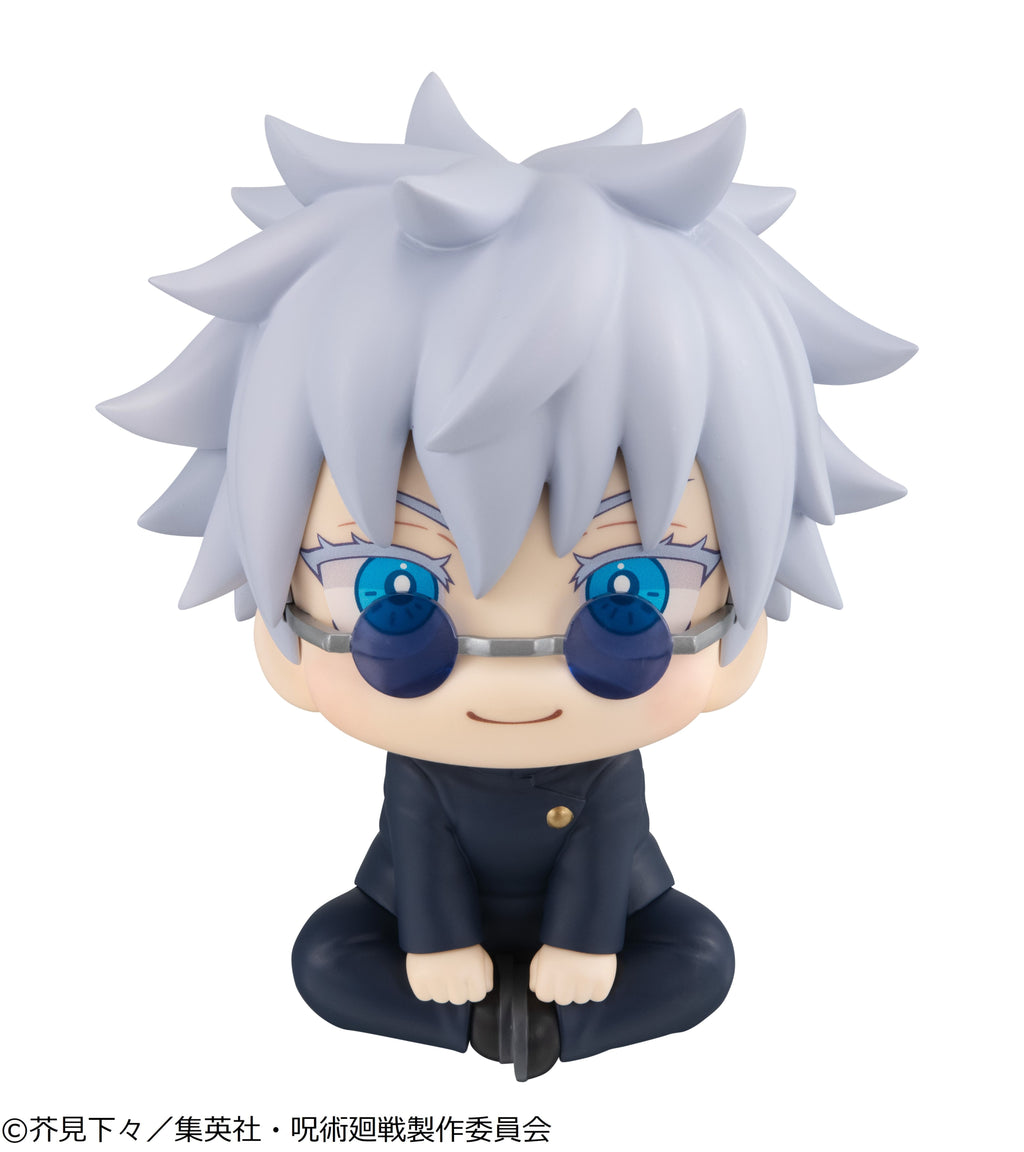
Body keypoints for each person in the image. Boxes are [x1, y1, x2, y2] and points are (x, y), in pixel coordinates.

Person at [99, 75, 914, 1079]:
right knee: (328, 960)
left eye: (629, 599)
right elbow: (418, 840)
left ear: (740, 635)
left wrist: (588, 945)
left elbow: (609, 844)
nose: (517, 678)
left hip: (610, 925)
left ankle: (541, 1028)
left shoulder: (606, 767)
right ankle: (496, 1027)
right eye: (392, 598)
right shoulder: (420, 763)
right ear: (281, 632)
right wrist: (436, 945)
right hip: (416, 924)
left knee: (700, 960)